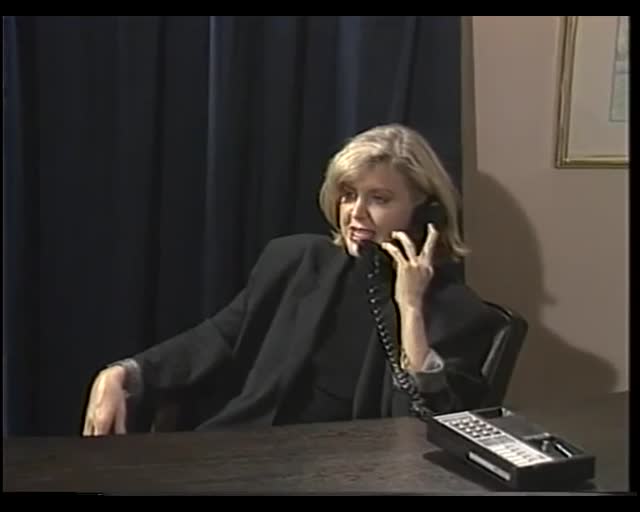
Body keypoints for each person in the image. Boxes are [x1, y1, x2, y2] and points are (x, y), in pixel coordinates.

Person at [83, 123, 503, 436]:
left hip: (350, 474)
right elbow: (219, 337)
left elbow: (434, 427)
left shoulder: (456, 310)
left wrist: (410, 308)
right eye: (348, 194)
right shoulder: (295, 261)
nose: (355, 213)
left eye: (379, 198)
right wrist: (125, 373)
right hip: (244, 451)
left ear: (424, 210)